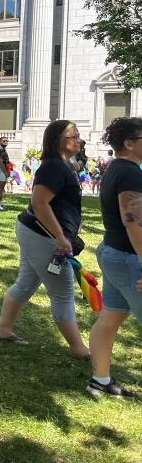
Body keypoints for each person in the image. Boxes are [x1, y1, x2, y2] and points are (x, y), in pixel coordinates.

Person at [0, 120, 89, 358]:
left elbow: (58, 203)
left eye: (78, 136)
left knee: (26, 282)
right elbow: (39, 203)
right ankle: (78, 348)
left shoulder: (63, 165)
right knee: (63, 291)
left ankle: (3, 329)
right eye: (73, 137)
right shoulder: (54, 167)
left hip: (36, 231)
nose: (78, 140)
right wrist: (60, 236)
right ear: (57, 141)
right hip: (42, 234)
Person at [87, 117, 142, 398]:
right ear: (129, 143)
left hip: (114, 253)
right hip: (129, 259)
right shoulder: (130, 173)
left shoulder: (117, 168)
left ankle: (100, 379)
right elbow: (134, 222)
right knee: (109, 318)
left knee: (110, 318)